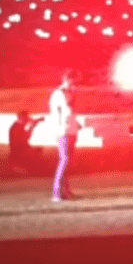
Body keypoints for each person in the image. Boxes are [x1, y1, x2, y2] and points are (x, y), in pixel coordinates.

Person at [49, 72, 79, 201]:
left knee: (68, 162)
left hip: (71, 130)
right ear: (67, 80)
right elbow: (66, 110)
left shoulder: (69, 93)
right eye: (73, 81)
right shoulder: (59, 94)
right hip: (63, 131)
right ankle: (57, 192)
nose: (74, 84)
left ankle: (66, 191)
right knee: (64, 160)